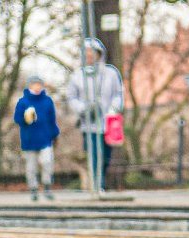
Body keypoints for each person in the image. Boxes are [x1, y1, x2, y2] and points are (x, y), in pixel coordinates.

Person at [64, 38, 124, 193]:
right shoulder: (77, 76)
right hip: (88, 122)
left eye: (92, 53)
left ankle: (100, 179)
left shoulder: (110, 73)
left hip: (107, 121)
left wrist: (113, 108)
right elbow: (71, 97)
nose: (89, 56)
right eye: (86, 53)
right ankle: (97, 184)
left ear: (99, 54)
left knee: (105, 155)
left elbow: (118, 94)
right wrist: (83, 108)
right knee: (92, 153)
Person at [13, 73, 60, 201]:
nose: (37, 87)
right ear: (30, 86)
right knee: (31, 166)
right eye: (35, 84)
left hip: (45, 138)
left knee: (47, 163)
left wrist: (55, 134)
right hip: (29, 139)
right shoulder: (23, 102)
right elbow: (17, 119)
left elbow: (52, 119)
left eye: (39, 84)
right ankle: (33, 189)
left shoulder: (47, 101)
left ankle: (47, 186)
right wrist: (25, 119)